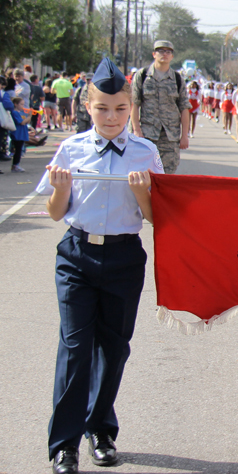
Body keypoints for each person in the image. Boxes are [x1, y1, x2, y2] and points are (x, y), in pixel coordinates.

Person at [37, 58, 163, 474]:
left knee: (114, 350)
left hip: (124, 257)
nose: (111, 117)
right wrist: (59, 189)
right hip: (77, 256)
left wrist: (145, 193)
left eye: (120, 109)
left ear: (132, 109)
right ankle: (64, 444)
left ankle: (100, 429)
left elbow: (152, 217)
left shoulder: (145, 152)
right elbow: (57, 213)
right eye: (102, 108)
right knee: (75, 349)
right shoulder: (71, 150)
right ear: (86, 107)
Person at [131, 40, 191, 174]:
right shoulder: (142, 75)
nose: (165, 54)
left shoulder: (177, 78)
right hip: (147, 134)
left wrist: (184, 135)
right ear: (154, 54)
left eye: (168, 52)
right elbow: (134, 104)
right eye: (161, 51)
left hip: (170, 137)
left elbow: (184, 108)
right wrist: (136, 130)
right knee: (143, 174)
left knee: (167, 175)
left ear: (172, 56)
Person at [9, 97, 29, 172]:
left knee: (19, 150)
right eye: (21, 104)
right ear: (15, 104)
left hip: (22, 133)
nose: (22, 106)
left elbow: (26, 122)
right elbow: (22, 122)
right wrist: (30, 116)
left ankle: (16, 165)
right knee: (18, 151)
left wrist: (29, 116)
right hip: (17, 134)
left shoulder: (21, 113)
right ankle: (15, 165)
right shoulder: (14, 113)